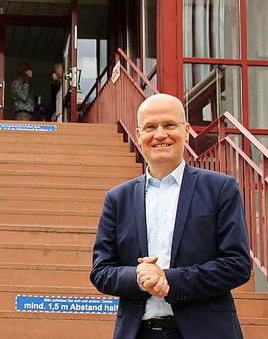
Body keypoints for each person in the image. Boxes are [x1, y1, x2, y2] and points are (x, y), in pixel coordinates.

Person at [90, 93, 251, 339]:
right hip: (138, 332)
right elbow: (101, 271)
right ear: (138, 134)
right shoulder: (117, 199)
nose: (160, 134)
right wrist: (138, 277)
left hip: (207, 331)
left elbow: (237, 265)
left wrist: (169, 280)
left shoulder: (220, 189)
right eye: (150, 127)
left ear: (186, 131)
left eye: (169, 125)